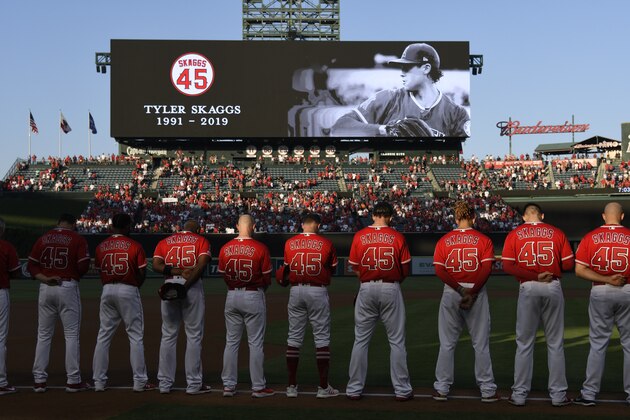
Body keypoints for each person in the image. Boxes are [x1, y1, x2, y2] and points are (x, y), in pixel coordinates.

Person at [501, 203, 574, 407]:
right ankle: (558, 395)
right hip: (552, 285)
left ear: (524, 217)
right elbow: (568, 264)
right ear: (542, 215)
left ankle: (519, 394)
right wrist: (550, 269)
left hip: (529, 286)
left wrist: (534, 274)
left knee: (524, 343)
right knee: (555, 343)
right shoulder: (556, 232)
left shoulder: (515, 233)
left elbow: (508, 265)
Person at [345, 202, 413, 401]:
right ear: (390, 217)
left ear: (372, 215)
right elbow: (405, 271)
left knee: (361, 340)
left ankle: (354, 388)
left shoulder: (360, 236)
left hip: (366, 287)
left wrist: (366, 281)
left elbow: (355, 267)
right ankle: (402, 389)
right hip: (391, 286)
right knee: (397, 341)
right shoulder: (397, 236)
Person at [432, 201, 498, 403]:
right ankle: (487, 389)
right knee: (481, 344)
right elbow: (486, 269)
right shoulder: (483, 239)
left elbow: (440, 270)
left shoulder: (445, 240)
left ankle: (442, 388)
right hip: (475, 290)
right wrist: (472, 292)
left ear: (455, 218)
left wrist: (460, 290)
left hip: (452, 291)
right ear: (474, 218)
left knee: (447, 343)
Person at [331, 42, 470, 138]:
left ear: (426, 68)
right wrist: (385, 130)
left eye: (407, 67)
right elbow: (338, 128)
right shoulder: (388, 98)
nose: (402, 73)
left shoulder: (457, 114)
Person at [573, 202, 630, 406]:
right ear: (622, 216)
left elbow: (579, 271)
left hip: (600, 289)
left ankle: (589, 394)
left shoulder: (590, 237)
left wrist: (607, 279)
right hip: (628, 290)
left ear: (604, 217)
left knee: (598, 344)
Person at [277, 213, 339, 398]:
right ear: (317, 225)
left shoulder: (290, 243)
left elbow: (285, 271)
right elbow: (333, 269)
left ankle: (291, 387)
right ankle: (322, 388)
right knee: (321, 338)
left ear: (302, 224)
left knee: (294, 337)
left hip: (296, 290)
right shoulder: (326, 243)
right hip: (317, 290)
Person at [28, 213, 91, 393]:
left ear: (57, 223)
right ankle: (73, 380)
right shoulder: (77, 239)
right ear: (73, 224)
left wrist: (45, 278)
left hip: (46, 286)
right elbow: (83, 266)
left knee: (43, 335)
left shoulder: (44, 238)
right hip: (67, 286)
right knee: (71, 335)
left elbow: (31, 266)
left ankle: (39, 380)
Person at [92, 213, 154, 392]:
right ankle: (139, 382)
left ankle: (99, 382)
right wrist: (134, 288)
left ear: (112, 226)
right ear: (127, 226)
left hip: (107, 289)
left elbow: (99, 271)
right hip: (128, 288)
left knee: (103, 336)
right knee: (135, 336)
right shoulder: (134, 245)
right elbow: (142, 273)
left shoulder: (101, 246)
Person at [152, 219, 211, 395]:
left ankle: (164, 384)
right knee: (193, 335)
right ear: (198, 230)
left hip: (169, 285)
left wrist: (175, 273)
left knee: (168, 335)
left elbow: (156, 265)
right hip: (190, 287)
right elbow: (201, 265)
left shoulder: (165, 242)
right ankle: (193, 384)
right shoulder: (201, 241)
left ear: (181, 228)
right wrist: (185, 287)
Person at [218, 214, 274, 398]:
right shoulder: (260, 247)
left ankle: (228, 386)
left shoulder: (226, 248)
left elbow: (224, 275)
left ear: (236, 226)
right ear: (253, 226)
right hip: (253, 294)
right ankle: (258, 387)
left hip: (232, 295)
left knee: (231, 342)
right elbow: (266, 279)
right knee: (255, 343)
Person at [0, 217, 20, 396]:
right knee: (0, 338)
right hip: (0, 292)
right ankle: (0, 382)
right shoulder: (6, 247)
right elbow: (16, 273)